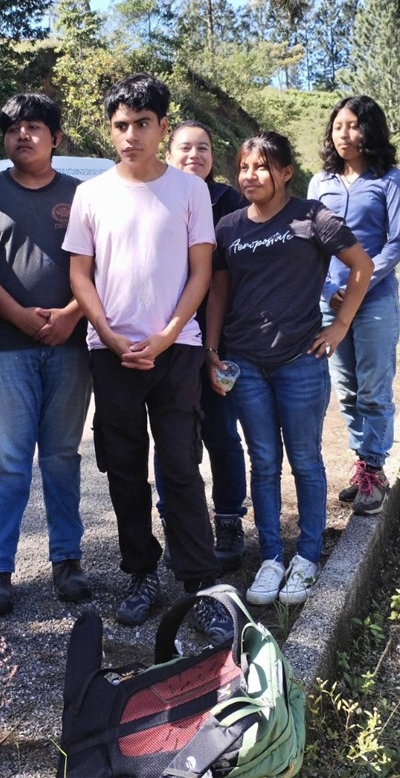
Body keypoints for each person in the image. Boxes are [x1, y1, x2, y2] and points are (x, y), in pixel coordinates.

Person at [63, 74, 230, 642]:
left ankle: (200, 585)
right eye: (120, 126)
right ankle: (140, 574)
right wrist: (109, 335)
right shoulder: (92, 194)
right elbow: (80, 274)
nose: (130, 135)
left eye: (142, 124)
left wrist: (168, 334)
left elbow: (201, 270)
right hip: (110, 353)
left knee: (181, 467)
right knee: (125, 471)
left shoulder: (189, 191)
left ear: (162, 126)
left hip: (175, 352)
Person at [205, 132, 373, 606]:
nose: (250, 176)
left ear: (284, 173)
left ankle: (308, 556)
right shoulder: (229, 227)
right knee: (262, 461)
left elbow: (360, 265)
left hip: (301, 359)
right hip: (245, 362)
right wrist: (212, 348)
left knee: (304, 460)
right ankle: (272, 557)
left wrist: (340, 325)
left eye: (261, 167)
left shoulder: (311, 217)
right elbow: (218, 292)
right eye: (243, 167)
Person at [0, 92, 93, 616]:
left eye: (36, 127)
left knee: (62, 457)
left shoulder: (84, 195)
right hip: (7, 350)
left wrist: (69, 315)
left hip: (71, 348)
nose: (24, 135)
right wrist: (19, 317)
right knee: (8, 461)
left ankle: (67, 560)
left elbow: (99, 265)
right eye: (14, 128)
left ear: (56, 139)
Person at [307, 96, 400, 516]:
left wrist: (359, 285)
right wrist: (332, 285)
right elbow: (312, 241)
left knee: (374, 388)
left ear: (370, 130)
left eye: (353, 126)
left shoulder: (389, 180)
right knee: (346, 390)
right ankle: (362, 464)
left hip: (376, 300)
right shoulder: (320, 183)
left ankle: (373, 469)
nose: (344, 134)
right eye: (338, 127)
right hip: (331, 301)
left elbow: (396, 244)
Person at [155, 120, 250, 571]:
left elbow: (222, 278)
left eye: (204, 148)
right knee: (173, 440)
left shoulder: (228, 202)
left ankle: (229, 519)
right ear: (169, 151)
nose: (195, 155)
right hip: (164, 340)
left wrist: (213, 347)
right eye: (186, 147)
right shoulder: (154, 193)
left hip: (217, 340)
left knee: (220, 432)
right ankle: (178, 523)